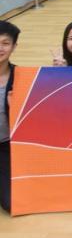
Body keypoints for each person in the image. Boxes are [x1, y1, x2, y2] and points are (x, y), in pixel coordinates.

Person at [0, 20, 19, 213]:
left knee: (11, 202)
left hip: (6, 146)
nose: (0, 48)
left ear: (14, 47)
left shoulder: (21, 77)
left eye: (5, 43)